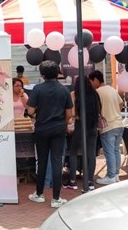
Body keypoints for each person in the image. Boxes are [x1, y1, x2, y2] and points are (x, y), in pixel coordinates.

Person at [26, 60, 73, 208]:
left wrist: (37, 113)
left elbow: (31, 111)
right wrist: (64, 124)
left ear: (42, 74)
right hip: (59, 128)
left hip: (42, 128)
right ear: (57, 73)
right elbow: (69, 114)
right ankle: (56, 198)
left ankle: (39, 194)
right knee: (57, 161)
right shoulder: (64, 90)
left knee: (42, 161)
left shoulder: (37, 89)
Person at [64, 76, 99, 191]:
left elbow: (72, 113)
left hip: (80, 125)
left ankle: (73, 181)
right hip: (93, 126)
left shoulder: (74, 94)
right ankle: (90, 181)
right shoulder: (94, 94)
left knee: (73, 152)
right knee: (91, 154)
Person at [89, 70, 124, 185]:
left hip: (108, 126)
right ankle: (116, 175)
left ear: (95, 80)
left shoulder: (97, 92)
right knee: (115, 151)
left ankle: (110, 176)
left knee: (109, 152)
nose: (91, 84)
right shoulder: (112, 89)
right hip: (118, 123)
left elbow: (95, 109)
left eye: (91, 81)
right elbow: (121, 104)